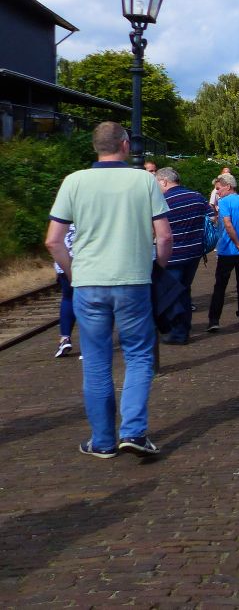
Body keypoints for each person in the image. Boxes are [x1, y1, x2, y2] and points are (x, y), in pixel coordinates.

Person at [44, 122, 172, 459]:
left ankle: (101, 441)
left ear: (95, 147)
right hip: (132, 281)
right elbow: (165, 237)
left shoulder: (74, 182)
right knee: (139, 355)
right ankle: (133, 432)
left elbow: (54, 241)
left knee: (97, 362)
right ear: (125, 145)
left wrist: (73, 274)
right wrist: (157, 269)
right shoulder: (144, 180)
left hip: (88, 284)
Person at [156, 167, 210, 345]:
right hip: (194, 252)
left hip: (173, 254)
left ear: (164, 181)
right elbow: (212, 217)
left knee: (170, 294)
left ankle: (178, 332)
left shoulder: (163, 200)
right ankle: (183, 329)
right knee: (184, 291)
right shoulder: (196, 196)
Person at [208, 173, 239, 331]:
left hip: (228, 250)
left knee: (220, 286)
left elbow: (228, 224)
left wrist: (237, 243)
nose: (217, 192)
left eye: (218, 188)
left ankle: (214, 320)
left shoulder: (224, 202)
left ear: (228, 186)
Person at [53, 224, 78, 358]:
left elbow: (53, 240)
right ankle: (90, 344)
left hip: (64, 261)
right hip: (88, 262)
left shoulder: (64, 209)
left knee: (68, 298)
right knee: (92, 303)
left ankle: (65, 339)